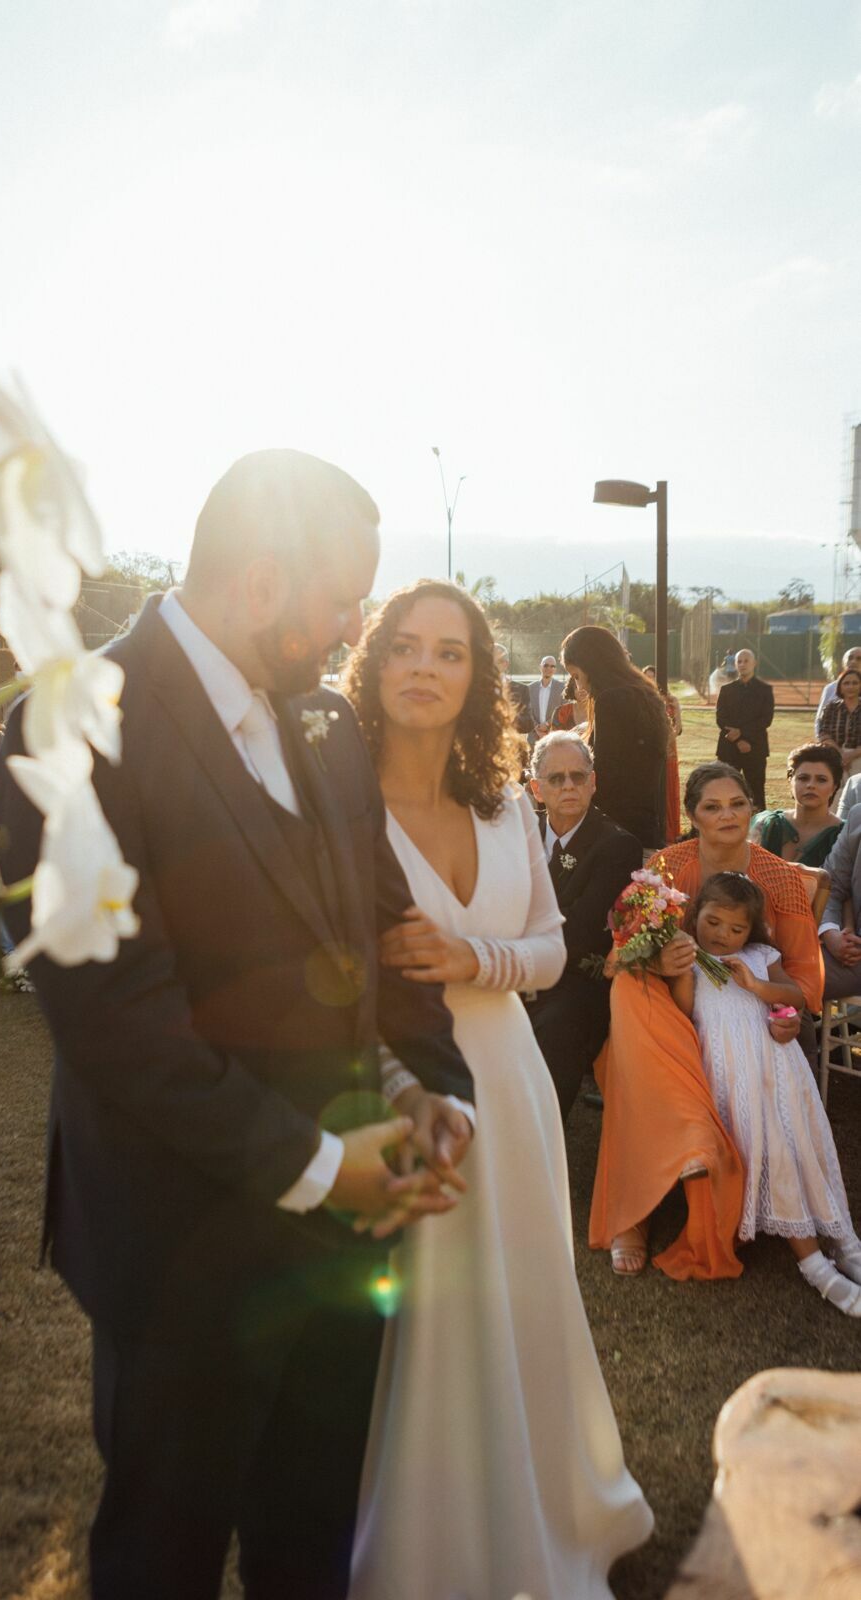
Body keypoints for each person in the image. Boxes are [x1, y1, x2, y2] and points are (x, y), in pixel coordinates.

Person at [0, 449, 475, 1600]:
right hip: (181, 1246)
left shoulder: (325, 725)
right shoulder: (69, 731)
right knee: (165, 1551)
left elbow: (384, 933)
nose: (357, 621)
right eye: (342, 596)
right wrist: (315, 1165)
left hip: (344, 1249)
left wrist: (430, 1087)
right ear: (260, 583)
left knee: (310, 1539)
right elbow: (115, 1019)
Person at [342, 580, 651, 1600]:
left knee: (521, 1291)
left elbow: (552, 953)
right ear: (372, 662)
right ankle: (432, 1537)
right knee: (429, 1312)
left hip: (510, 1079)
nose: (424, 668)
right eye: (404, 647)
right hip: (401, 1084)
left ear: (478, 677)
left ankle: (543, 1504)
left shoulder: (505, 801)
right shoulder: (336, 810)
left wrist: (464, 953)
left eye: (450, 651)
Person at [590, 762, 822, 1279]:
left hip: (752, 1010)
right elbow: (619, 955)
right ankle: (636, 1210)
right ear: (692, 816)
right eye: (712, 807)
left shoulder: (779, 877)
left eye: (737, 804)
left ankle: (702, 1169)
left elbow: (803, 973)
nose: (728, 815)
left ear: (753, 806)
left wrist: (785, 1011)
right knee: (630, 994)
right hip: (671, 1006)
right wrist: (657, 962)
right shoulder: (668, 869)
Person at [670, 872, 861, 1316]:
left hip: (778, 1067)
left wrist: (762, 992)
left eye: (736, 929)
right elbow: (681, 1012)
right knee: (773, 1148)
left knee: (801, 1149)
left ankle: (844, 1239)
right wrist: (680, 962)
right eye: (713, 922)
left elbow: (793, 995)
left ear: (750, 931)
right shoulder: (691, 960)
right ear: (696, 914)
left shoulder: (759, 955)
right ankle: (813, 1264)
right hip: (733, 1077)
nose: (722, 936)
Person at [525, 730, 642, 1120]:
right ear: (536, 788)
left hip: (574, 983)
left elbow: (580, 933)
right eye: (556, 778)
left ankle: (540, 1147)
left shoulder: (616, 845)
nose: (569, 786)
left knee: (558, 1028)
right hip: (511, 970)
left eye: (578, 776)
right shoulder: (516, 834)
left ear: (593, 783)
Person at [560, 625, 668, 851]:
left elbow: (604, 774)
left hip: (618, 831)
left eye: (576, 676)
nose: (578, 685)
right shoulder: (646, 694)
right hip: (647, 827)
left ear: (592, 666)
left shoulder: (610, 699)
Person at [752, 743, 843, 868]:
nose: (811, 785)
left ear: (834, 787)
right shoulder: (767, 825)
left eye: (821, 779)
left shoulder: (843, 835)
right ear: (790, 780)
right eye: (803, 778)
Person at [715, 647, 775, 809]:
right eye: (739, 661)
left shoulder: (765, 690)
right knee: (726, 789)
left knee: (756, 792)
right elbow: (721, 718)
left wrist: (742, 734)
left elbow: (765, 719)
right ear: (735, 664)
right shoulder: (726, 690)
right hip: (728, 747)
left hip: (755, 747)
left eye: (746, 661)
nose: (742, 664)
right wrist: (738, 739)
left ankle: (759, 828)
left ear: (754, 663)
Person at [816, 803, 861, 1001]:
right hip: (850, 955)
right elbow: (831, 886)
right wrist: (830, 933)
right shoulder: (858, 815)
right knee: (777, 979)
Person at [643, 664, 683, 843]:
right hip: (650, 751)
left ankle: (671, 831)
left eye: (653, 676)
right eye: (647, 676)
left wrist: (678, 711)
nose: (650, 680)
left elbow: (678, 729)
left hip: (669, 750)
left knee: (669, 787)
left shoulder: (670, 701)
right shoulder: (643, 698)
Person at [817, 665, 861, 781]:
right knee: (836, 794)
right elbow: (823, 734)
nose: (850, 687)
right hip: (834, 756)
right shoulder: (831, 708)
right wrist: (841, 755)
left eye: (855, 683)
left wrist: (851, 755)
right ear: (840, 688)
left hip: (859, 757)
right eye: (846, 683)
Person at [815, 646, 861, 736]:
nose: (853, 662)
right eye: (850, 658)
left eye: (859, 659)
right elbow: (820, 720)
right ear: (844, 663)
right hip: (833, 746)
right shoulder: (830, 688)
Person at [494, 643, 533, 735]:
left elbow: (528, 724)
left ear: (505, 664)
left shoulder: (521, 689)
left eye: (495, 661)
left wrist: (509, 716)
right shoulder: (474, 689)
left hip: (511, 746)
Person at [529, 653, 564, 743]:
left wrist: (547, 724)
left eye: (552, 666)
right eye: (546, 665)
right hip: (534, 737)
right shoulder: (530, 688)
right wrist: (537, 728)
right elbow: (527, 711)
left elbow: (563, 711)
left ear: (555, 669)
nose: (549, 668)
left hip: (553, 738)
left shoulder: (562, 688)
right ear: (540, 667)